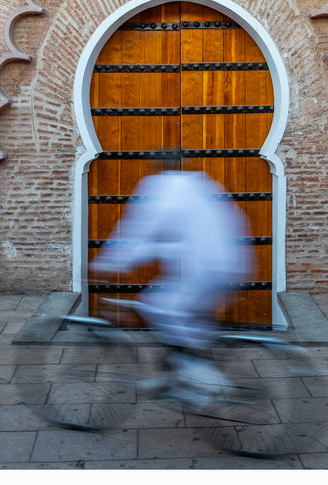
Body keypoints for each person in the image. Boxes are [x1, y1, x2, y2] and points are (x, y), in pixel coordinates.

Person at [90, 167, 253, 401]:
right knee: (185, 314)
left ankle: (205, 379)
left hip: (204, 267)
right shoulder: (202, 185)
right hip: (229, 262)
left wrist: (108, 264)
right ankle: (178, 373)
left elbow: (138, 231)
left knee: (159, 304)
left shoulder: (162, 188)